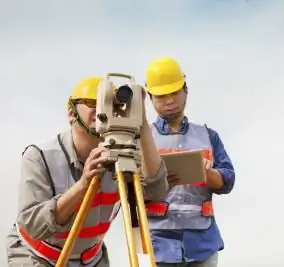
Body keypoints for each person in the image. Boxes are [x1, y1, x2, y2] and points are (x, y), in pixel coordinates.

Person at [6, 76, 169, 266]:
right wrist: (83, 185)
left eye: (110, 104)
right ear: (71, 113)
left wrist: (140, 119)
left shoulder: (123, 155)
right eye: (93, 102)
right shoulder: (40, 156)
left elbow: (156, 190)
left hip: (90, 259)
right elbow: (33, 226)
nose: (102, 109)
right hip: (38, 256)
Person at [144, 56, 236, 267]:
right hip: (158, 247)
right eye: (161, 96)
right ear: (150, 98)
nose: (169, 101)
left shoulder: (208, 136)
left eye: (174, 92)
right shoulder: (143, 139)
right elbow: (127, 191)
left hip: (202, 246)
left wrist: (209, 174)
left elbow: (228, 181)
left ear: (186, 90)